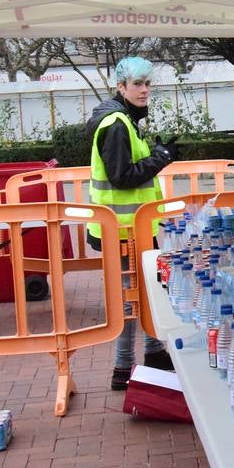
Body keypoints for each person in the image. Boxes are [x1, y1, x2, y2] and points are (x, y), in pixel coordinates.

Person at [88, 57, 177, 391]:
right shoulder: (116, 123)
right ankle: (122, 369)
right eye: (137, 84)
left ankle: (153, 353)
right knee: (129, 298)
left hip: (133, 226)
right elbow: (122, 177)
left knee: (145, 290)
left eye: (148, 84)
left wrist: (155, 152)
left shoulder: (123, 119)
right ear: (121, 87)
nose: (144, 90)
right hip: (123, 228)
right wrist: (161, 157)